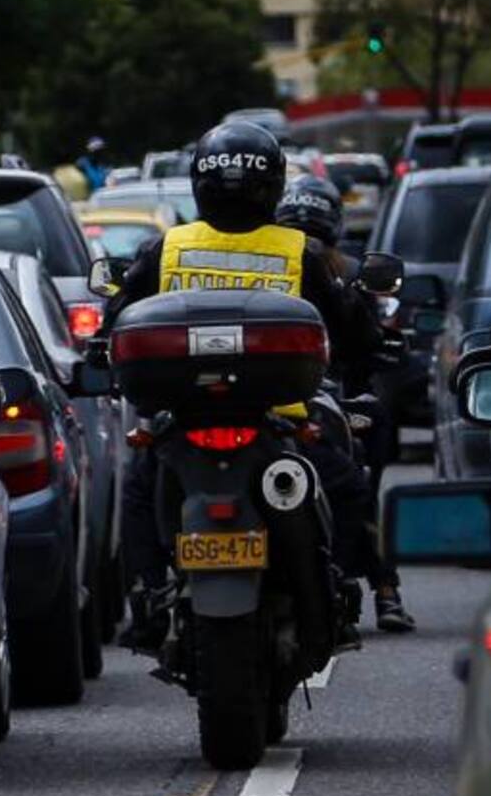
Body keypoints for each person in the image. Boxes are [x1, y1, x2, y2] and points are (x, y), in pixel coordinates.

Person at [104, 121, 384, 651]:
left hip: (184, 419)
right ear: (274, 186)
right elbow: (352, 327)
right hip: (285, 417)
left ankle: (146, 596)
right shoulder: (299, 251)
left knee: (139, 488)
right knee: (347, 488)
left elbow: (116, 319)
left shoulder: (168, 248)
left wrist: (103, 353)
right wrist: (371, 346)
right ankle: (342, 591)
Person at [275, 176, 416, 634]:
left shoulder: (293, 260)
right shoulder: (324, 266)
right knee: (359, 479)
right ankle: (382, 588)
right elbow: (364, 333)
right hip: (293, 400)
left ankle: (379, 584)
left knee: (364, 460)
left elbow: (366, 333)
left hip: (304, 398)